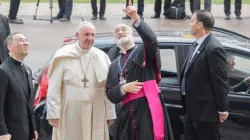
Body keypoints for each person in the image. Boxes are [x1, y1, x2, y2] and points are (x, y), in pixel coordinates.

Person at [106, 6, 174, 140]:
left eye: (124, 29)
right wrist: (123, 88)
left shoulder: (144, 51)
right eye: (116, 31)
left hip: (147, 111)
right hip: (126, 117)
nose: (120, 32)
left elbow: (151, 40)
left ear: (133, 34)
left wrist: (136, 19)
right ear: (115, 40)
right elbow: (110, 94)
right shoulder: (114, 64)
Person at [46, 21, 116, 140]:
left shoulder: (102, 57)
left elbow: (108, 88)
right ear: (77, 35)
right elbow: (54, 87)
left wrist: (110, 113)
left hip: (97, 109)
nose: (90, 38)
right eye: (86, 34)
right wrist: (53, 113)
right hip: (71, 110)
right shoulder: (63, 55)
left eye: (93, 35)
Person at [180, 10, 231, 140]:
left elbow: (220, 81)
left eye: (191, 21)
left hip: (206, 115)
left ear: (200, 25)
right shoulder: (196, 44)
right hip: (191, 112)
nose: (189, 24)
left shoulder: (213, 48)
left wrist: (222, 109)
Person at [0, 33, 38, 140]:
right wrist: (2, 132)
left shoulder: (28, 70)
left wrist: (33, 127)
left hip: (26, 130)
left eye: (26, 40)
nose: (25, 43)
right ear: (10, 47)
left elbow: (28, 104)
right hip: (10, 133)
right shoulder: (3, 71)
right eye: (21, 40)